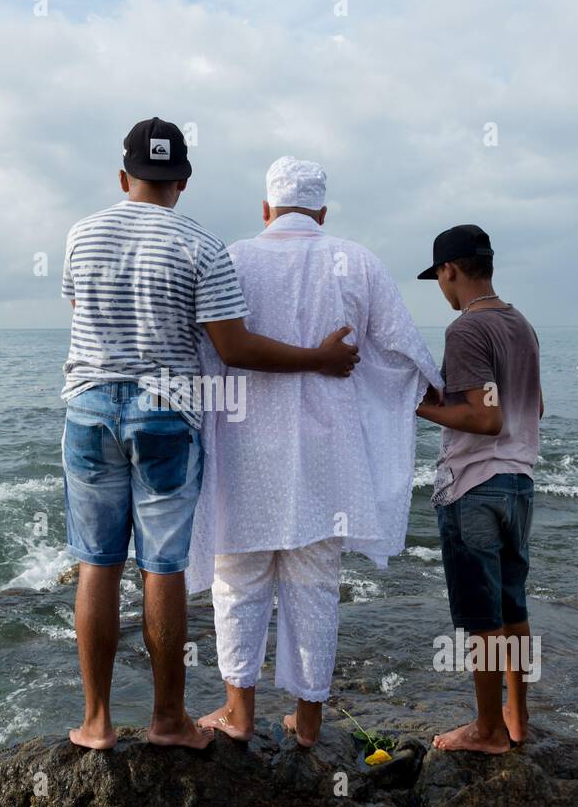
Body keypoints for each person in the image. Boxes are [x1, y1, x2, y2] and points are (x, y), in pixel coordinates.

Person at [60, 120, 359, 751]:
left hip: (88, 406)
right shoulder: (200, 243)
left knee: (96, 563)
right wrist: (318, 358)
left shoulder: (82, 235)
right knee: (162, 566)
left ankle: (95, 722)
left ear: (122, 177)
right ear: (184, 182)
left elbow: (81, 313)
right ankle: (168, 720)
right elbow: (234, 346)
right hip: (165, 411)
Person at [187, 157, 442, 747]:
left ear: (265, 208)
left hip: (244, 448)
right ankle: (307, 724)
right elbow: (404, 348)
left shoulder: (234, 258)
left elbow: (205, 347)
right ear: (323, 213)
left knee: (239, 582)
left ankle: (238, 712)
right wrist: (439, 391)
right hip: (330, 456)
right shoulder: (358, 262)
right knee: (316, 588)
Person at [414, 224, 543, 754]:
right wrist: (444, 395)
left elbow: (484, 418)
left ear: (450, 271)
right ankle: (516, 717)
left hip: (475, 485)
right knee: (513, 607)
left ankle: (487, 729)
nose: (441, 289)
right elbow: (523, 407)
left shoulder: (465, 330)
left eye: (439, 278)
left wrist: (417, 406)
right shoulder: (521, 324)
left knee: (480, 619)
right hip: (519, 482)